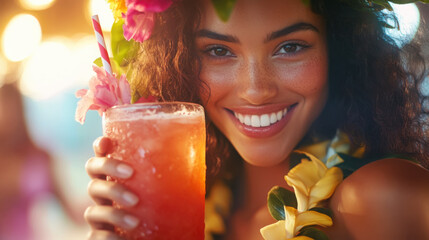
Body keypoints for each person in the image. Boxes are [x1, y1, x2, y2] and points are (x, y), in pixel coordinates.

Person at [83, 0, 429, 239]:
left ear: (340, 49)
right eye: (218, 51)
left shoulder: (384, 198)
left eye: (290, 47)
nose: (256, 89)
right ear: (180, 66)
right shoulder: (196, 211)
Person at [0, 82, 85, 240]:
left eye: (10, 106)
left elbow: (73, 214)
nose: (6, 113)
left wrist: (105, 202)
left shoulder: (41, 156)